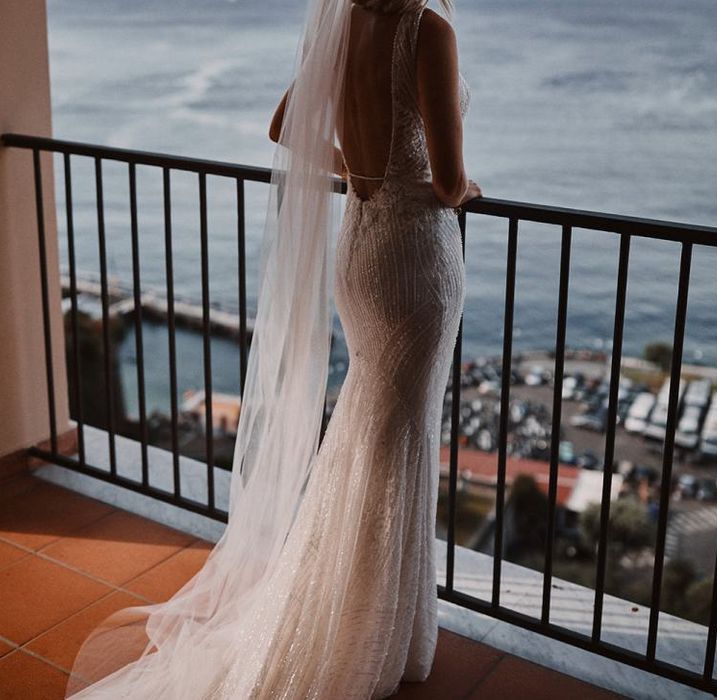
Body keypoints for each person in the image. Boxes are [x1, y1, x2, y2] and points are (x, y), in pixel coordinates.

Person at [65, 0, 480, 697]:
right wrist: (468, 186)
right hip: (415, 261)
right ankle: (375, 629)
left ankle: (365, 612)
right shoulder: (428, 29)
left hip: (362, 246)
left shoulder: (343, 23)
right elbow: (446, 182)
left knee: (370, 427)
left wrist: (358, 172)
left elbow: (284, 125)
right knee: (399, 434)